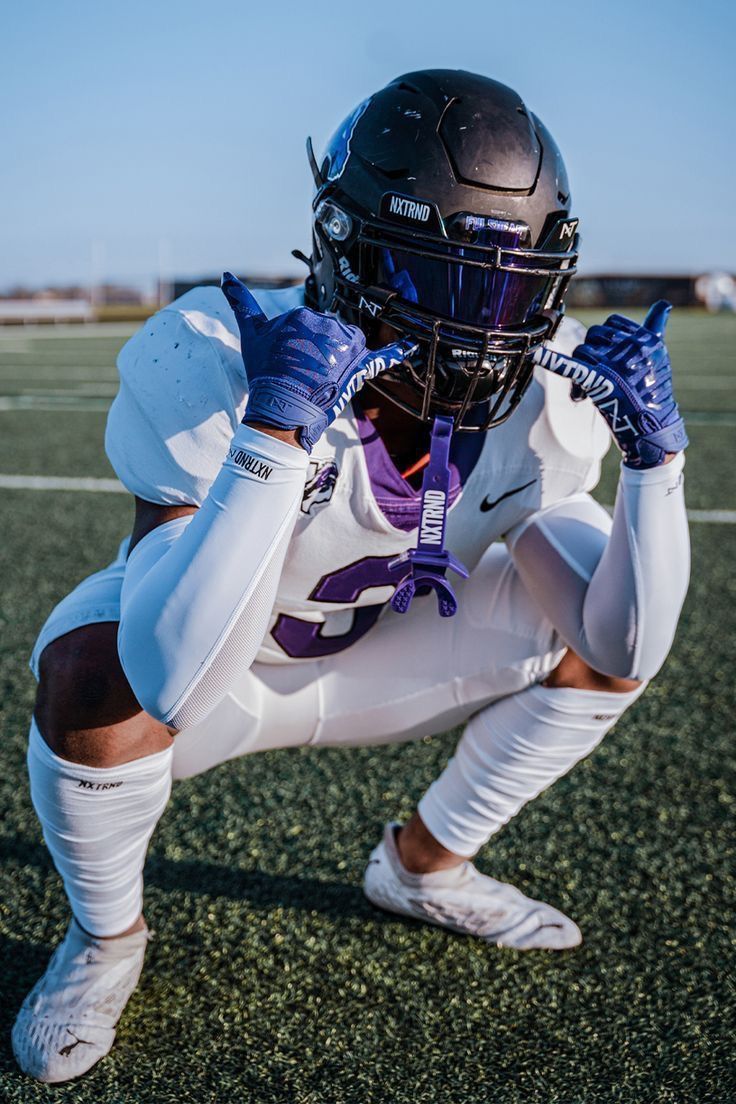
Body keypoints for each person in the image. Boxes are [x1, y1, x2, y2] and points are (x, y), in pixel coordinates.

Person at [12, 69, 690, 1084]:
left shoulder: (547, 397)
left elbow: (621, 645)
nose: (480, 323)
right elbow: (171, 680)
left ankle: (423, 867)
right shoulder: (217, 348)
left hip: (393, 655)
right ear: (347, 247)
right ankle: (107, 937)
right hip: (221, 677)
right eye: (442, 277)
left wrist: (657, 468)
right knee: (85, 675)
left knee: (595, 598)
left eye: (508, 286)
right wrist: (275, 432)